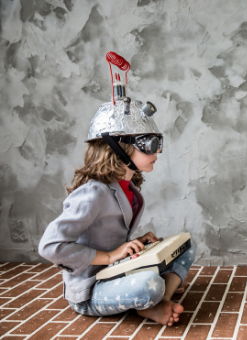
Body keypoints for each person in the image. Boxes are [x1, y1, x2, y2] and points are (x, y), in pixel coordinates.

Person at [38, 52, 195, 326]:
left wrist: (136, 244)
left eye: (158, 143)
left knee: (185, 247)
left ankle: (159, 303)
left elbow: (111, 236)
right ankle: (152, 302)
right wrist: (110, 255)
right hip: (91, 288)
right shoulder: (93, 192)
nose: (157, 151)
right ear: (120, 147)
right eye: (149, 144)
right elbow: (50, 246)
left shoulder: (127, 186)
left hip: (116, 271)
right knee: (150, 284)